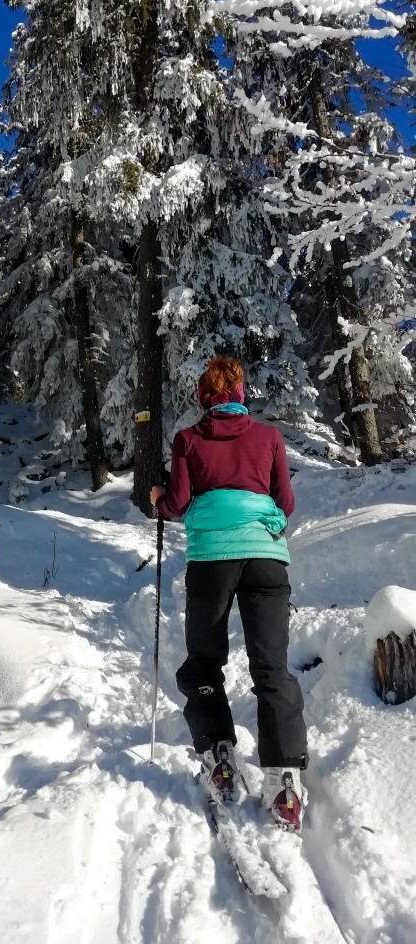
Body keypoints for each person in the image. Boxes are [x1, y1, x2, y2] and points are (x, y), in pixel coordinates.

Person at [150, 355, 308, 831]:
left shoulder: (188, 440)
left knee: (204, 661)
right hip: (265, 559)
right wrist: (264, 518)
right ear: (241, 396)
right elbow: (286, 502)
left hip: (212, 561)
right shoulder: (269, 438)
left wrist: (158, 498)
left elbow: (176, 504)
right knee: (271, 667)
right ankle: (284, 784)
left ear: (204, 398)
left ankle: (219, 754)